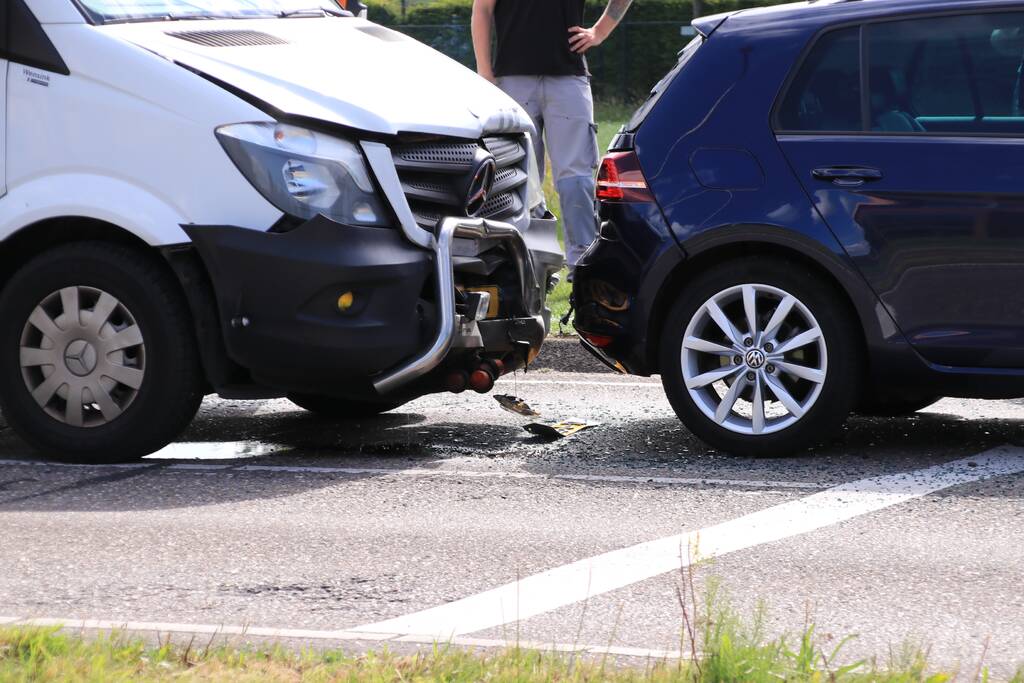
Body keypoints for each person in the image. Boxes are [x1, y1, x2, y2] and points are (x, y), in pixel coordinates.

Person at [471, 0, 634, 275]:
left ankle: (582, 266)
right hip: (511, 81)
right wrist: (484, 72)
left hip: (569, 80)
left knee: (576, 180)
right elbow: (482, 10)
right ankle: (527, 265)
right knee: (518, 181)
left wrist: (600, 32)